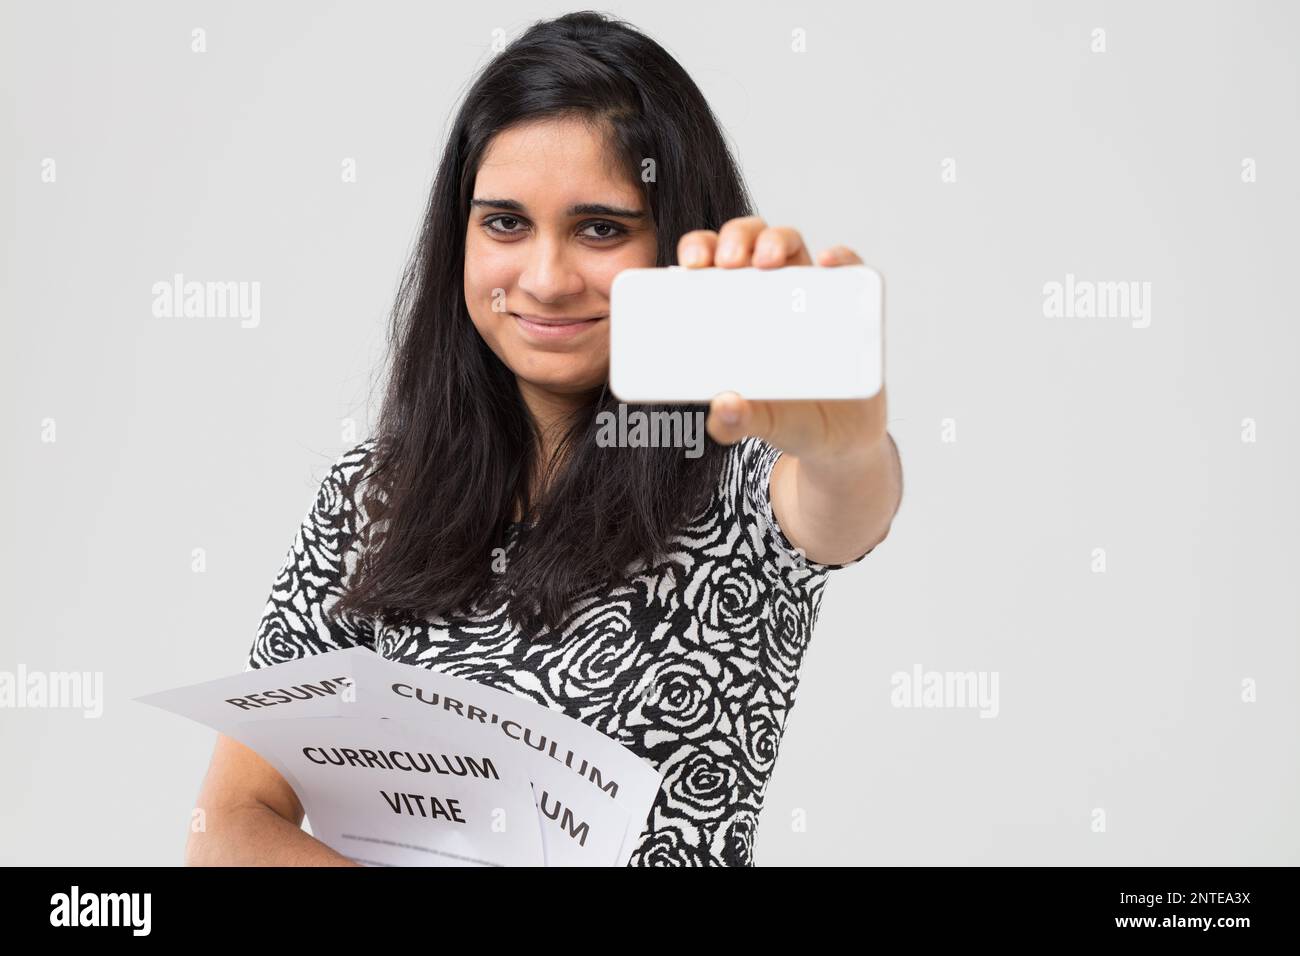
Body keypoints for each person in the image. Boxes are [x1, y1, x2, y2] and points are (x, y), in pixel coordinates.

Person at [186, 9, 902, 868]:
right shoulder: (372, 496)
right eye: (505, 223)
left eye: (601, 227)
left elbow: (843, 505)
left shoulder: (741, 485)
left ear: (676, 239)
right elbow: (229, 828)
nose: (546, 278)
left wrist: (848, 441)